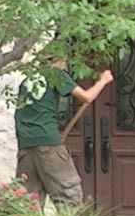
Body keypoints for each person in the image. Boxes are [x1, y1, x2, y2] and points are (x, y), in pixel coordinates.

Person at [14, 59, 114, 208]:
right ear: (58, 60)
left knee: (28, 203)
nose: (66, 64)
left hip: (26, 145)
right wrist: (103, 81)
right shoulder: (55, 74)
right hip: (49, 144)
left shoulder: (28, 80)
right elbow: (86, 97)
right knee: (69, 198)